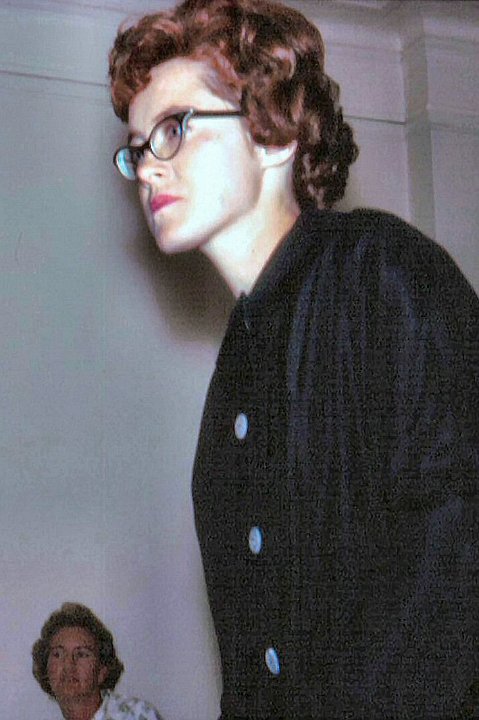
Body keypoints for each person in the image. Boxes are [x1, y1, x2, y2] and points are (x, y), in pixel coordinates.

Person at [108, 0, 479, 717]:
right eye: (136, 147)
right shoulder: (237, 365)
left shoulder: (380, 273)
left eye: (175, 128)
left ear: (273, 135)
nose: (147, 168)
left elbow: (455, 572)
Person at [32, 603, 163, 720]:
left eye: (81, 654)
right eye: (58, 654)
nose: (68, 665)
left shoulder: (135, 715)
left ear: (102, 670)